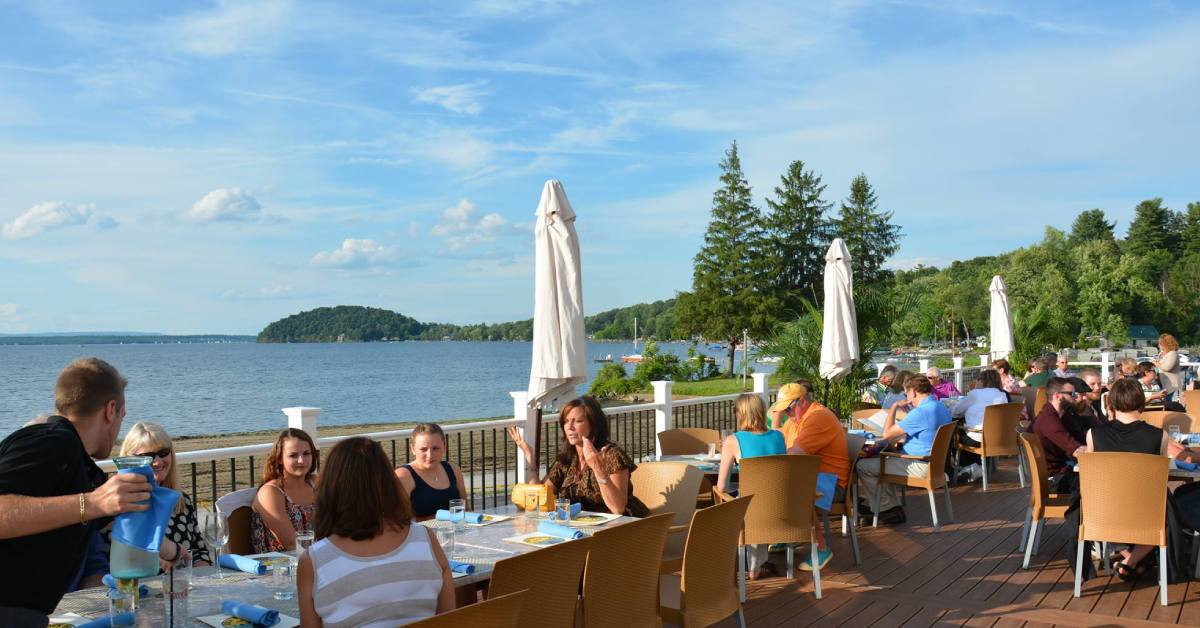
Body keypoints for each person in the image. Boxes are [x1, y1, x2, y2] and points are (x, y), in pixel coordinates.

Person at [0, 358, 180, 626]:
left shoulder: (80, 466)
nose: (119, 426)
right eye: (122, 415)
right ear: (110, 410)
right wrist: (94, 502)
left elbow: (112, 520)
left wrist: (174, 552)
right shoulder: (51, 441)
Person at [298, 437, 454, 627]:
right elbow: (449, 619)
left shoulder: (316, 561)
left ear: (331, 488)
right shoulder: (425, 540)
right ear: (388, 482)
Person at [1082, 379, 1172, 580]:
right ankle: (1133, 561)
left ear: (1112, 403)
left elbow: (1094, 479)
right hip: (1146, 513)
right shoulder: (1159, 436)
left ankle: (1129, 559)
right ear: (1142, 402)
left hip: (1103, 512)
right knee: (1167, 514)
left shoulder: (1094, 435)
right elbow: (1161, 477)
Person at [508, 396, 649, 517]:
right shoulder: (567, 458)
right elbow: (540, 496)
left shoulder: (610, 454)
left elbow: (617, 508)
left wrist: (597, 467)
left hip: (622, 529)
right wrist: (530, 457)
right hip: (582, 528)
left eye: (577, 421)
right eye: (566, 421)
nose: (569, 427)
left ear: (593, 425)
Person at [855, 375, 952, 524]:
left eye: (906, 394)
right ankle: (891, 508)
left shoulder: (920, 413)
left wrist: (893, 408)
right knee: (882, 462)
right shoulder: (941, 407)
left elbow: (887, 434)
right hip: (935, 465)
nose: (906, 397)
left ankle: (886, 509)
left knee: (863, 466)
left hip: (918, 465)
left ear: (913, 392)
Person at [773, 382, 850, 570]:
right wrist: (777, 420)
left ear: (802, 401)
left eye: (788, 409)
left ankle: (821, 547)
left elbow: (794, 453)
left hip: (832, 485)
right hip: (812, 477)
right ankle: (787, 535)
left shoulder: (817, 417)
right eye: (783, 410)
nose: (786, 414)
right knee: (778, 486)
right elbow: (778, 443)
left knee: (792, 490)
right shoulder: (796, 419)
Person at [716, 393, 788, 579]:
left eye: (735, 411)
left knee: (732, 498)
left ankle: (727, 562)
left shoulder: (734, 440)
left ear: (741, 413)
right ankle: (755, 566)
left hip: (751, 511)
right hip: (780, 505)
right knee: (759, 495)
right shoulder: (779, 436)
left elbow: (721, 486)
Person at [118, 422, 210, 565]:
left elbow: (199, 552)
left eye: (163, 453)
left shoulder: (181, 500)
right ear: (130, 459)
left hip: (184, 584)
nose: (157, 462)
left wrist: (201, 580)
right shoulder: (119, 503)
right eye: (148, 456)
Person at [251, 428, 319, 553]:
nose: (301, 460)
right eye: (293, 455)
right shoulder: (271, 492)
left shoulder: (315, 483)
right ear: (279, 458)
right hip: (279, 566)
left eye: (306, 453)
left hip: (318, 557)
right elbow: (291, 543)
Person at [1031, 378, 1095, 494]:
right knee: (1098, 482)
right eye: (1071, 394)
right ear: (1057, 396)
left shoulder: (1062, 415)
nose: (1075, 397)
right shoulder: (1049, 421)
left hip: (1062, 470)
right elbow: (1077, 450)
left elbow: (1080, 438)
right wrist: (1107, 454)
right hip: (1053, 480)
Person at [394, 423, 469, 522]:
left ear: (444, 447)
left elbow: (467, 510)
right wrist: (438, 518)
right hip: (420, 536)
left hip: (457, 534)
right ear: (413, 449)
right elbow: (397, 520)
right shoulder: (404, 475)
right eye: (423, 449)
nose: (430, 455)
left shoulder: (453, 469)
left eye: (435, 448)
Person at [951, 369, 1009, 469]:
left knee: (953, 432)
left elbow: (956, 412)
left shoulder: (976, 393)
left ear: (982, 381)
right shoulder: (1002, 395)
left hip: (979, 437)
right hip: (1000, 437)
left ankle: (964, 467)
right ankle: (979, 466)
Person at [1155, 333, 1182, 402]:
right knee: (1165, 401)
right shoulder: (1168, 354)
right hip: (1165, 383)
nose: (1159, 345)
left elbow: (1167, 368)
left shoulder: (1173, 353)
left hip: (1170, 384)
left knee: (1167, 402)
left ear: (1165, 344)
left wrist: (1157, 363)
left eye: (1160, 344)